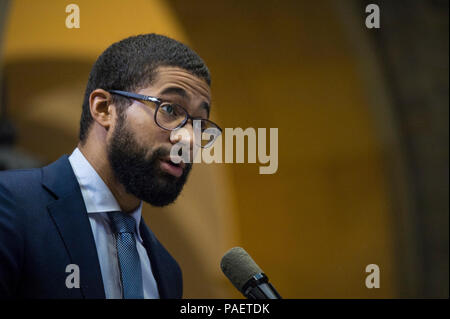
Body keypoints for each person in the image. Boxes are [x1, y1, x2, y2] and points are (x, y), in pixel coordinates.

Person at [0, 33, 221, 299]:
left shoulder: (167, 270)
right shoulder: (11, 205)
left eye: (200, 124)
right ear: (105, 108)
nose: (188, 138)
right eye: (171, 110)